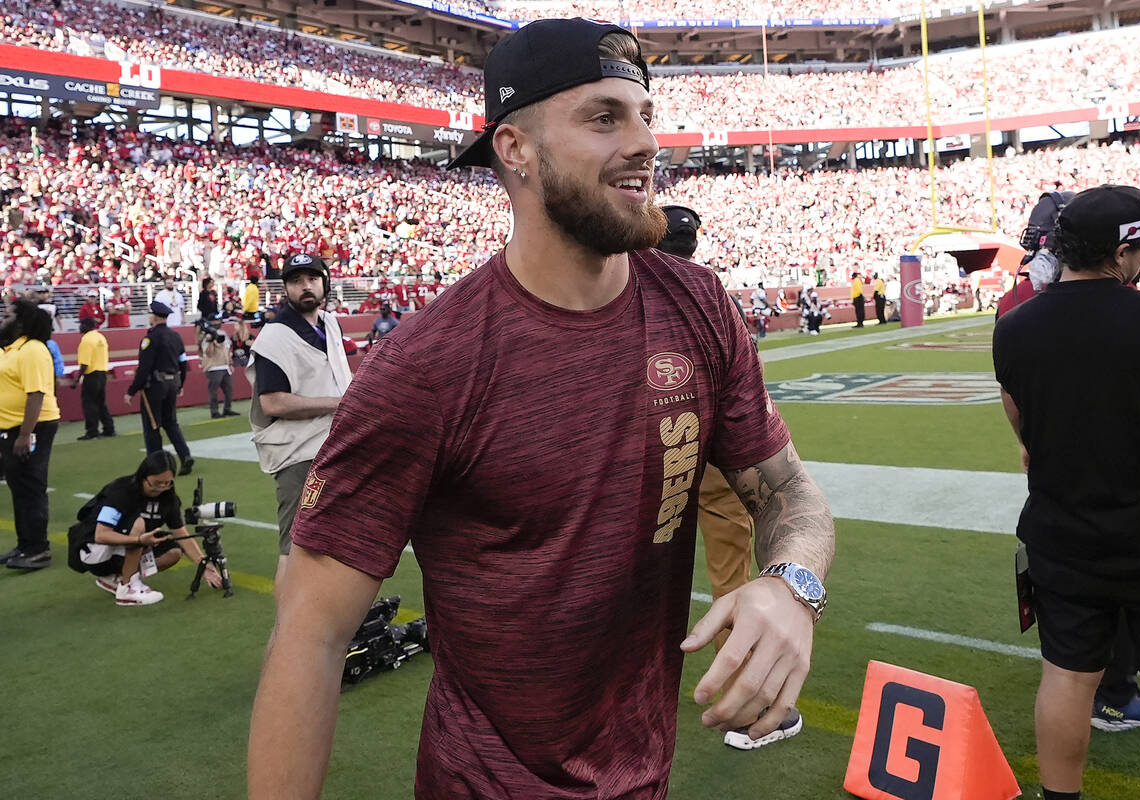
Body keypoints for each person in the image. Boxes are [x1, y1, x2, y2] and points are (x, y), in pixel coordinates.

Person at [248, 19, 834, 799]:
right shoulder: (427, 366)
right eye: (604, 118)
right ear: (515, 148)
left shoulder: (697, 305)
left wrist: (793, 583)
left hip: (645, 779)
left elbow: (787, 488)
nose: (645, 143)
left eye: (645, 115)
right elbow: (311, 636)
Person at [992, 185, 1140, 800]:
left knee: (1067, 677)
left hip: (1063, 531)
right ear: (1123, 250)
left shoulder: (1015, 327)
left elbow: (1022, 425)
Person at [997, 188, 1140, 733]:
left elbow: (1011, 394)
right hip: (1128, 485)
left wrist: (1030, 440)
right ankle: (1115, 690)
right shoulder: (1130, 307)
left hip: (1056, 481)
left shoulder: (1017, 307)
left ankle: (1096, 681)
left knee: (1068, 628)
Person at [656, 203, 803, 750]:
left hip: (643, 453)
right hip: (714, 452)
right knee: (733, 578)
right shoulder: (710, 296)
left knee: (625, 570)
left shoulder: (620, 292)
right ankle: (748, 707)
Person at [245, 253, 349, 588]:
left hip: (337, 445)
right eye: (295, 280)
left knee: (338, 543)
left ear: (325, 283)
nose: (305, 286)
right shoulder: (274, 336)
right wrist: (339, 404)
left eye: (312, 279)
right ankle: (289, 619)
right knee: (295, 549)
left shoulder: (330, 323)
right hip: (299, 453)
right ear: (285, 288)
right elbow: (272, 402)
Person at [66, 451, 222, 606]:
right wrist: (139, 540)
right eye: (156, 483)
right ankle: (127, 588)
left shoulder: (169, 498)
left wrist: (203, 564)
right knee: (139, 523)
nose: (161, 488)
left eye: (167, 483)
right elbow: (101, 534)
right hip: (94, 551)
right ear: (143, 476)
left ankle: (116, 580)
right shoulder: (120, 490)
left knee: (173, 552)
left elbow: (180, 532)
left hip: (123, 547)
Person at [0, 299, 60, 571]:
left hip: (33, 426)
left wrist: (25, 434)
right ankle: (25, 544)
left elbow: (36, 394)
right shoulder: (12, 349)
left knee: (31, 486)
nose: (3, 318)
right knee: (18, 486)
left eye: (8, 315)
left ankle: (38, 548)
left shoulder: (33, 349)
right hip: (11, 428)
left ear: (21, 322)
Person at [124, 301, 193, 475]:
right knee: (171, 423)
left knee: (152, 426)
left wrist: (131, 391)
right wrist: (181, 384)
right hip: (172, 383)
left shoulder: (150, 339)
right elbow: (183, 362)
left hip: (154, 386)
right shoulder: (176, 336)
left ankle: (156, 465)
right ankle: (185, 455)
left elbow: (144, 368)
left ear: (154, 317)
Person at [72, 317, 115, 440]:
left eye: (81, 324)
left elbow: (85, 363)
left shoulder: (86, 340)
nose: (80, 327)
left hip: (91, 375)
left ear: (86, 326)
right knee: (101, 402)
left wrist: (77, 379)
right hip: (102, 373)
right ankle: (109, 428)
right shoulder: (101, 337)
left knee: (89, 403)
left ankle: (92, 431)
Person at [198, 320, 236, 419]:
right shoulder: (206, 337)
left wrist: (230, 363)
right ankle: (214, 411)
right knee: (213, 391)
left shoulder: (223, 333)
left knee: (229, 389)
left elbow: (227, 348)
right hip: (213, 367)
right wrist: (211, 340)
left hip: (225, 366)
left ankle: (227, 409)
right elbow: (209, 353)